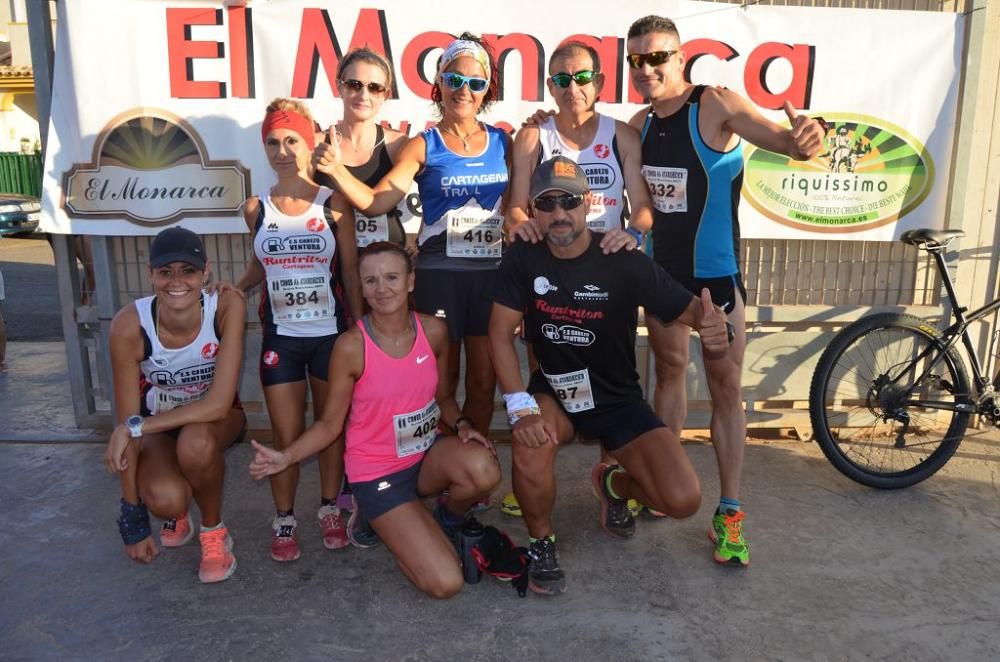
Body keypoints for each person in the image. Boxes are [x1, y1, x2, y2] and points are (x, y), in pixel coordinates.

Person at [626, 15, 826, 567]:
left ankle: (730, 510)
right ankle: (666, 487)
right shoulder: (637, 125)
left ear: (680, 56)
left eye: (658, 56)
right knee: (666, 374)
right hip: (663, 278)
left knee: (724, 387)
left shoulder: (713, 104)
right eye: (636, 59)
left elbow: (782, 140)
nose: (647, 68)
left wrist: (802, 141)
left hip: (716, 279)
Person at [489, 156, 732, 596]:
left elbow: (690, 309)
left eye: (570, 201)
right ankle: (541, 542)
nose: (559, 213)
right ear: (534, 209)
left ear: (589, 204)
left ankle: (613, 483)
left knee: (682, 499)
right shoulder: (523, 255)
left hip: (617, 399)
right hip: (556, 394)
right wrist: (520, 407)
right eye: (547, 203)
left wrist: (711, 322)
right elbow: (499, 334)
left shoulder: (621, 257)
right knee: (531, 443)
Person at [250, 242, 501, 599]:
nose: (382, 288)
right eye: (371, 281)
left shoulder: (434, 332)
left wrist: (462, 425)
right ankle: (376, 516)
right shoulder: (351, 347)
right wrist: (286, 457)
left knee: (484, 467)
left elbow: (443, 398)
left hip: (425, 457)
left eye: (392, 277)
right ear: (362, 289)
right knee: (446, 583)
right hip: (378, 473)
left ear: (411, 282)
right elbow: (329, 425)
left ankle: (445, 517)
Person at [312, 34, 511, 441]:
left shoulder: (503, 141)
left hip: (491, 274)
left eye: (475, 83)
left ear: (487, 89)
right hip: (440, 275)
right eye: (455, 79)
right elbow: (374, 202)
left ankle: (476, 459)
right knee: (441, 380)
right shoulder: (424, 144)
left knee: (483, 382)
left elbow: (520, 206)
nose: (464, 91)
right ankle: (442, 461)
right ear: (439, 83)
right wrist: (337, 171)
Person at [503, 40, 655, 519]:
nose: (573, 87)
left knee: (614, 376)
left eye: (582, 77)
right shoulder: (532, 137)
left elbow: (644, 208)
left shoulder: (623, 137)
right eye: (562, 79)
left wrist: (633, 232)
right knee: (545, 371)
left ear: (600, 83)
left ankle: (612, 478)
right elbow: (514, 205)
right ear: (550, 85)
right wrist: (519, 224)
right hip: (549, 273)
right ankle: (532, 472)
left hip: (606, 274)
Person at [233, 97, 362, 562]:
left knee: (330, 429)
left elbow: (349, 274)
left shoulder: (336, 204)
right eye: (273, 142)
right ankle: (284, 516)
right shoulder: (255, 209)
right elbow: (259, 267)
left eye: (291, 140)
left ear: (309, 144)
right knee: (286, 434)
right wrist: (234, 288)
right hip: (281, 339)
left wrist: (362, 330)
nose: (282, 150)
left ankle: (329, 508)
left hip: (331, 337)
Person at [103, 227, 246, 583]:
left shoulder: (226, 305)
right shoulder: (128, 324)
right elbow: (126, 423)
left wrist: (134, 427)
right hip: (159, 425)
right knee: (167, 499)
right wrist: (132, 519)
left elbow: (217, 406)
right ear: (151, 274)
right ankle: (178, 509)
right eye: (165, 272)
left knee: (195, 444)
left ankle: (214, 532)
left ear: (206, 272)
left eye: (188, 271)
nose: (176, 281)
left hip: (217, 420)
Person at [313, 47, 409, 250]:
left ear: (386, 95)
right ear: (339, 87)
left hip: (384, 267)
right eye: (354, 85)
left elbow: (436, 190)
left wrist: (422, 243)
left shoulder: (398, 145)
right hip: (330, 264)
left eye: (375, 88)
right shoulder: (315, 145)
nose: (364, 95)